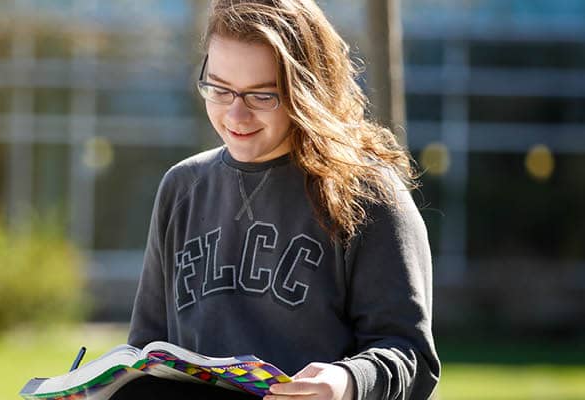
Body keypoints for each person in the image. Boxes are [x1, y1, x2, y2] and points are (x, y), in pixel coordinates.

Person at [124, 0, 440, 399]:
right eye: (219, 89)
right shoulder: (181, 187)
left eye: (261, 96)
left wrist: (344, 383)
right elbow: (145, 352)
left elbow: (410, 357)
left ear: (307, 90)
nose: (235, 116)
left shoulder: (368, 193)